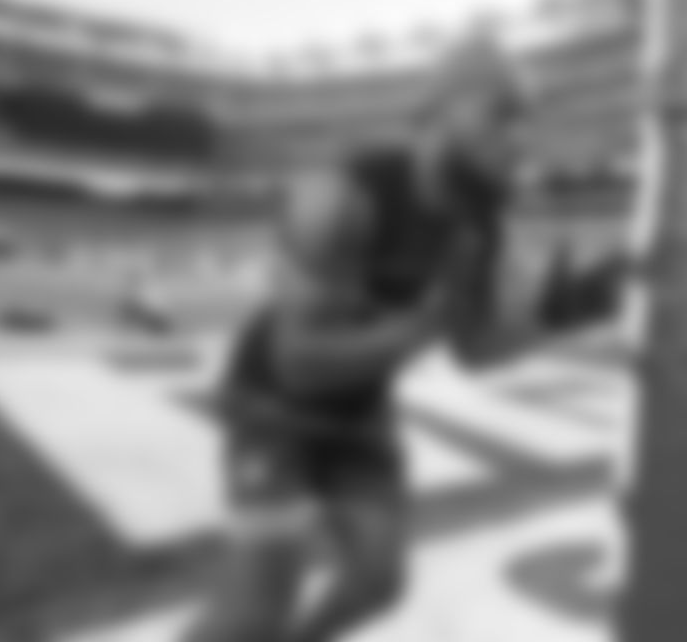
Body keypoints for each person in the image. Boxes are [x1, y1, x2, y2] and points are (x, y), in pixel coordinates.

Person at [185, 39, 538, 642]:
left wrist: (560, 317)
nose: (519, 140)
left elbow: (474, 351)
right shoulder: (342, 194)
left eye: (524, 122)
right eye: (502, 114)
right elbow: (298, 363)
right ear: (440, 110)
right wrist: (422, 326)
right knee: (251, 618)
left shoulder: (479, 225)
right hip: (272, 401)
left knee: (378, 582)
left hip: (361, 404)